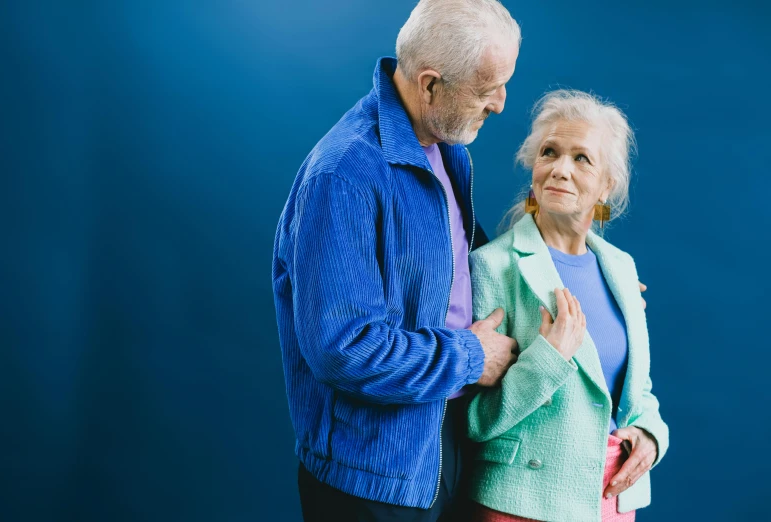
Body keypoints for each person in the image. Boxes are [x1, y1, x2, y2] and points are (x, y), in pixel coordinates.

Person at [272, 1, 522, 520]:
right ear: (430, 84)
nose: (500, 104)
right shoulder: (343, 176)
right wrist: (474, 358)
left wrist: (590, 283)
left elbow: (466, 272)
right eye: (486, 89)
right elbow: (345, 350)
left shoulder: (447, 145)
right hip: (373, 480)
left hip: (444, 440)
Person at [466, 90, 669, 522]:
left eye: (582, 158)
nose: (560, 169)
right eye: (549, 152)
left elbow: (639, 394)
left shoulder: (621, 269)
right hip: (519, 504)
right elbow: (470, 422)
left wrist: (652, 436)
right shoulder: (491, 267)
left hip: (610, 505)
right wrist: (548, 359)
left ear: (606, 184)